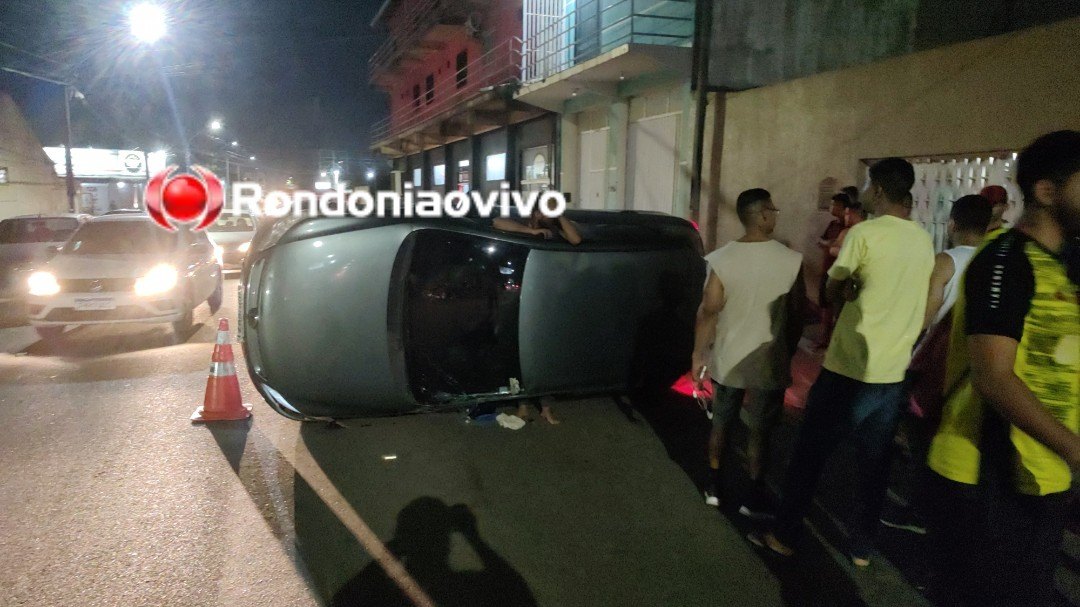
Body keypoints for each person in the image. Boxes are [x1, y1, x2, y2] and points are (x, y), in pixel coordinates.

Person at [749, 158, 935, 567]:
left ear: (880, 191)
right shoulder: (923, 240)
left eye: (868, 184)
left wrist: (842, 287)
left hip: (849, 369)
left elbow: (831, 293)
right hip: (891, 374)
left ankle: (784, 534)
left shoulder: (863, 234)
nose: (864, 191)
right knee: (874, 465)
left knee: (810, 454)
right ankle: (861, 546)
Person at [926, 131, 1080, 607]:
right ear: (1047, 192)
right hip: (985, 476)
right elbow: (994, 377)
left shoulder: (1065, 265)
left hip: (1044, 473)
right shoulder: (1004, 261)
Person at [880, 194, 993, 535]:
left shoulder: (947, 260)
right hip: (976, 364)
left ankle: (921, 511)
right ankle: (956, 514)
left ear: (954, 224)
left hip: (937, 362)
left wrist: (902, 345)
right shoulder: (995, 260)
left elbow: (926, 315)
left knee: (921, 435)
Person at [692, 188, 804, 514]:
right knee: (761, 431)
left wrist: (699, 355)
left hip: (728, 359)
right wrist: (788, 348)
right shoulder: (790, 260)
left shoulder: (723, 259)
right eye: (774, 210)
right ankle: (753, 494)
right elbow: (797, 313)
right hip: (769, 359)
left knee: (722, 424)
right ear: (764, 214)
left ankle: (714, 485)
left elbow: (709, 312)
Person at [493, 201, 582, 424]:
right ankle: (522, 403)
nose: (547, 215)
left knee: (544, 351)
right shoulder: (522, 224)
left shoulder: (554, 230)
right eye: (545, 210)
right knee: (515, 349)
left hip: (544, 298)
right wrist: (530, 230)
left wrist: (560, 217)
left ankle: (545, 406)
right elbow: (496, 222)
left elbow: (576, 240)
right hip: (516, 295)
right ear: (534, 211)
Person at [815, 193, 849, 349]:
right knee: (825, 305)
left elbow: (838, 247)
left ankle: (835, 342)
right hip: (827, 269)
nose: (832, 207)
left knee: (838, 307)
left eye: (835, 204)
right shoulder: (833, 224)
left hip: (840, 272)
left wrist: (832, 245)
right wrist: (831, 244)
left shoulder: (848, 229)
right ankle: (824, 339)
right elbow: (822, 241)